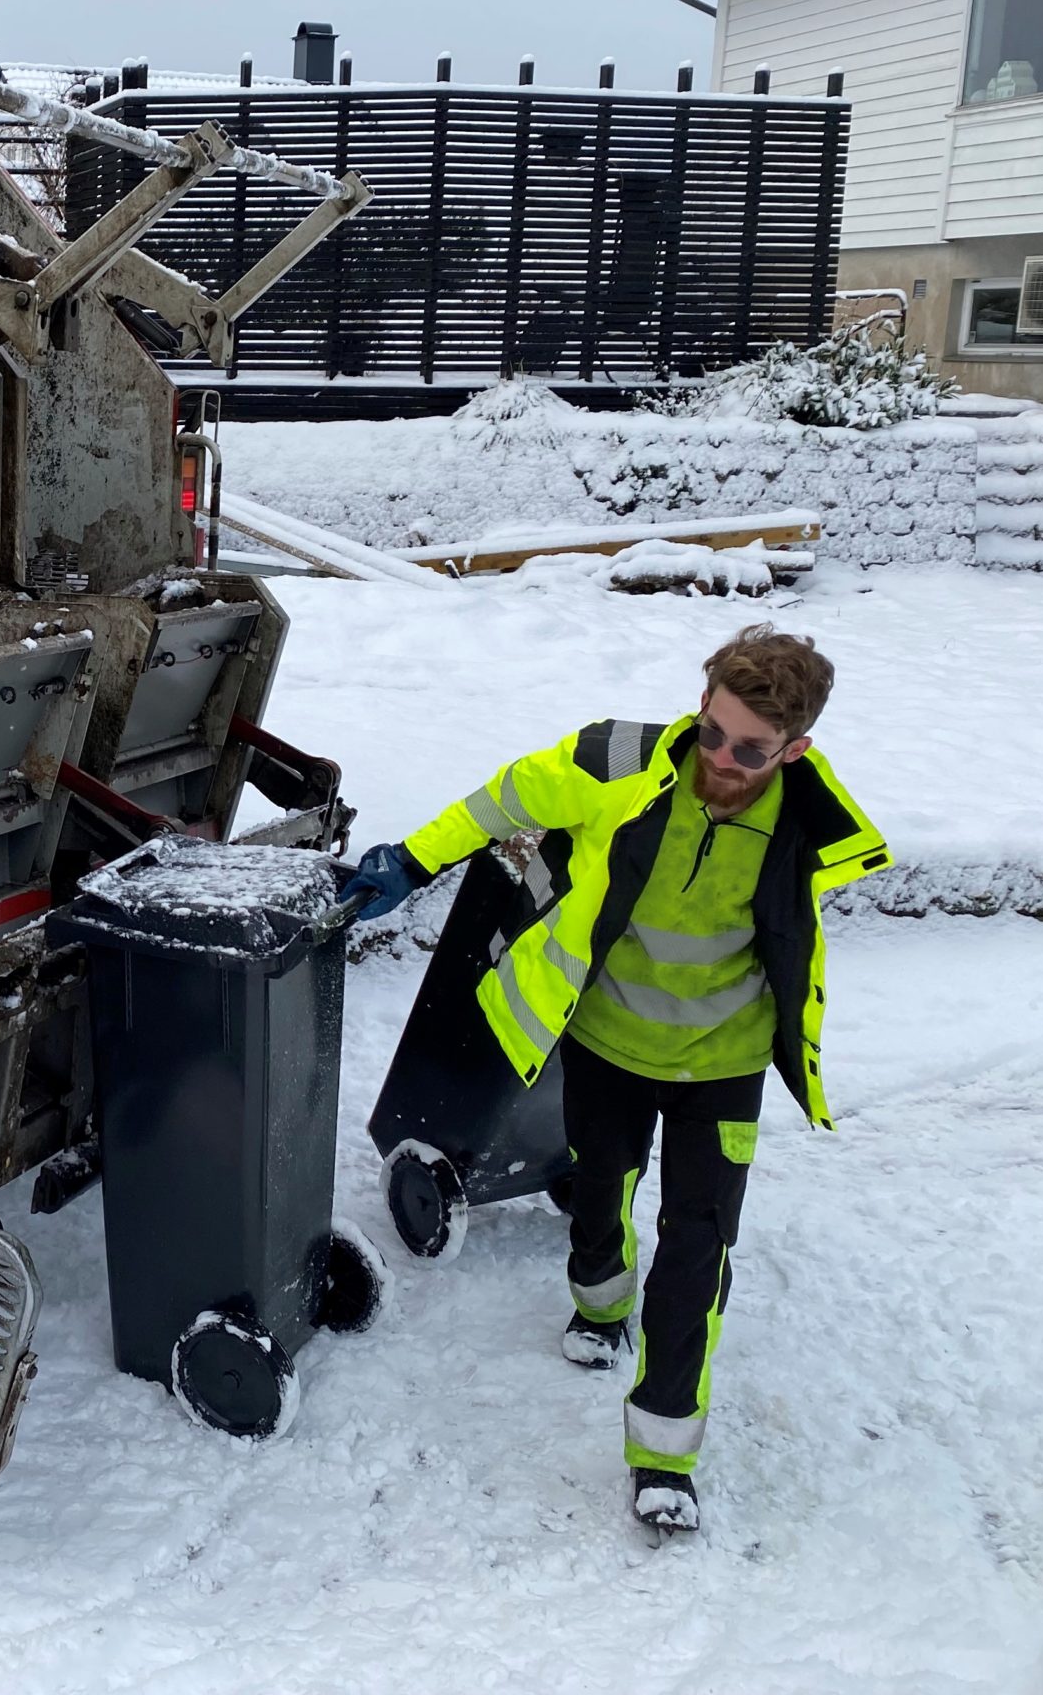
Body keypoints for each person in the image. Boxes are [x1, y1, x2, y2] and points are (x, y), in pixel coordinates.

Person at [339, 626, 888, 1532]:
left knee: (696, 1251)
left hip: (724, 1062)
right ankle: (599, 1306)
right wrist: (413, 858)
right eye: (712, 732)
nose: (721, 760)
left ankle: (663, 1456)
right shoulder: (620, 762)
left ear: (795, 750)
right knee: (600, 1196)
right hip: (606, 1042)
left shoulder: (805, 821)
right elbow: (505, 796)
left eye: (750, 750)